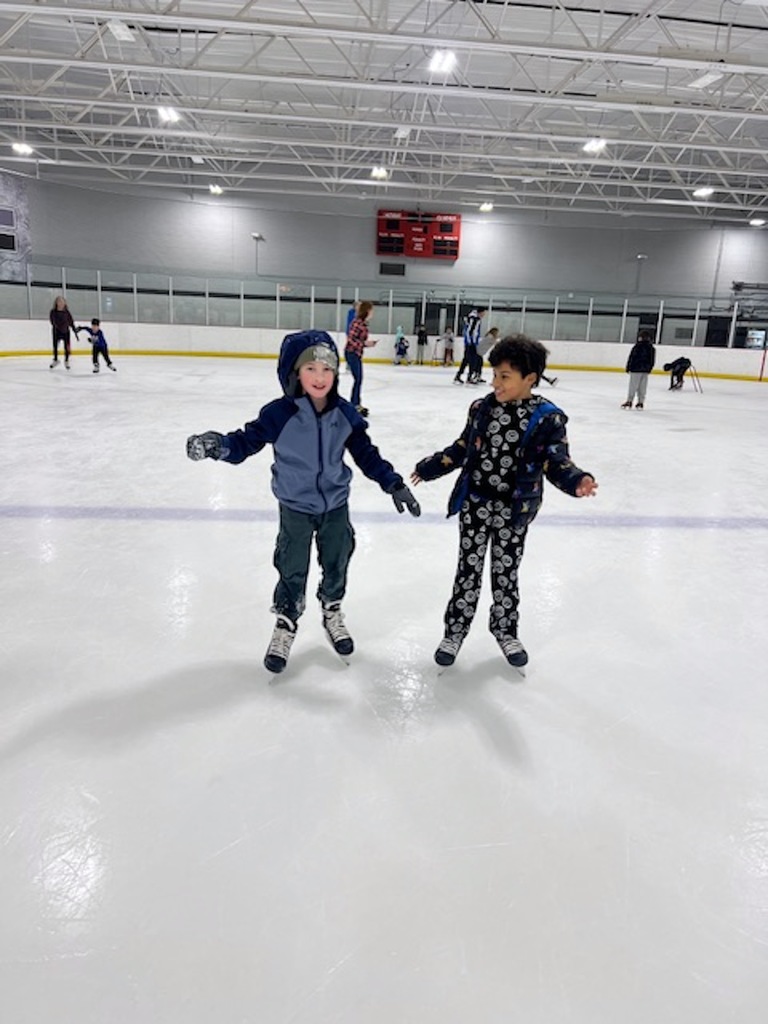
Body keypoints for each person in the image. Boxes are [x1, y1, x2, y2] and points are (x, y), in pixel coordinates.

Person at [186, 330, 420, 674]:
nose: (320, 377)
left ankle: (332, 609)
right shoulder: (279, 415)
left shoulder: (345, 414)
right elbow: (244, 443)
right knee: (292, 566)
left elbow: (366, 455)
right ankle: (286, 622)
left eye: (327, 369)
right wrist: (216, 445)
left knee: (337, 559)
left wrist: (393, 483)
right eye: (311, 369)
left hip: (335, 505)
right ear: (294, 373)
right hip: (294, 506)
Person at [411, 334, 598, 670]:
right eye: (494, 374)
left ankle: (505, 630)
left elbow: (556, 462)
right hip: (476, 504)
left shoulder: (546, 419)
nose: (495, 383)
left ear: (530, 378)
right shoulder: (482, 408)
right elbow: (463, 447)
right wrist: (430, 467)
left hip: (514, 511)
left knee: (506, 572)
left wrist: (577, 481)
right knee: (467, 569)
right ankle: (454, 632)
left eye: (505, 377)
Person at [344, 299, 378, 416]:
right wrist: (365, 344)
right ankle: (354, 404)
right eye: (371, 311)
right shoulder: (357, 323)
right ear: (367, 311)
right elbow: (351, 340)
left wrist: (367, 344)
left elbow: (358, 340)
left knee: (358, 379)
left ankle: (355, 403)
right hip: (351, 353)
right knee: (358, 379)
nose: (373, 313)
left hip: (356, 354)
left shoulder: (363, 323)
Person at [621, 330, 656, 409]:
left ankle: (629, 401)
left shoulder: (637, 346)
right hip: (645, 370)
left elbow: (632, 357)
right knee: (642, 387)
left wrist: (628, 367)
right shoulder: (651, 348)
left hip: (636, 369)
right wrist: (649, 368)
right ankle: (640, 402)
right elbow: (652, 360)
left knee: (633, 386)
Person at [454, 308, 485, 384]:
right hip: (471, 343)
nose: (484, 315)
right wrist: (471, 342)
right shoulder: (474, 319)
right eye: (483, 313)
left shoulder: (474, 318)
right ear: (480, 312)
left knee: (467, 359)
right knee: (473, 360)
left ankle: (460, 376)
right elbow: (470, 331)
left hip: (471, 342)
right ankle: (469, 376)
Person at [49, 295, 76, 370]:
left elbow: (71, 321)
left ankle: (66, 360)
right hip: (56, 331)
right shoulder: (53, 312)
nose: (60, 303)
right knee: (55, 346)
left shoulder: (67, 312)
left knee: (67, 347)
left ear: (64, 303)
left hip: (66, 331)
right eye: (59, 301)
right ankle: (55, 359)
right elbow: (52, 321)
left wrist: (74, 328)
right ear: (56, 303)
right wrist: (58, 326)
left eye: (62, 302)